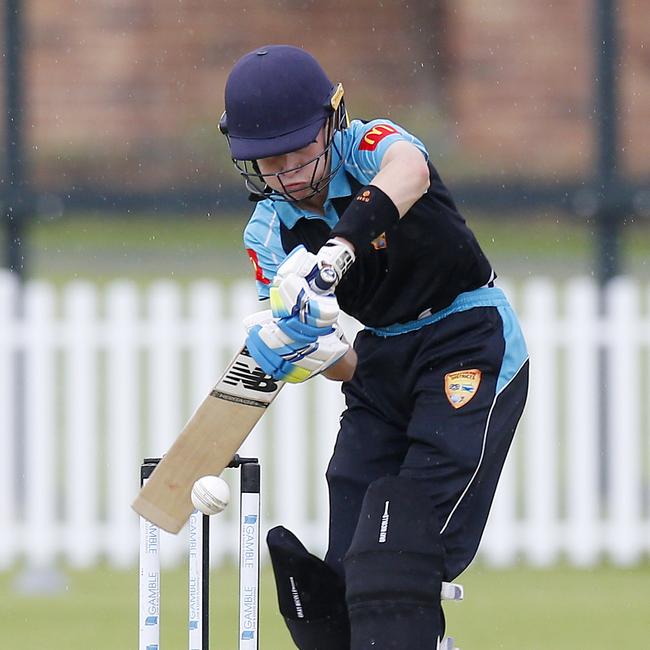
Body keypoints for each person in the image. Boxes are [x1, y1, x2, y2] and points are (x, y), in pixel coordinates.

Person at [219, 44, 529, 650]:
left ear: (332, 119)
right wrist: (299, 344)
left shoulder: (369, 145)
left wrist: (339, 249)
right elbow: (346, 363)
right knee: (349, 560)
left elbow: (409, 172)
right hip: (381, 358)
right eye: (266, 162)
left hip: (467, 336)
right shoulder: (267, 231)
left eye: (297, 152)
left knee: (401, 545)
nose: (286, 175)